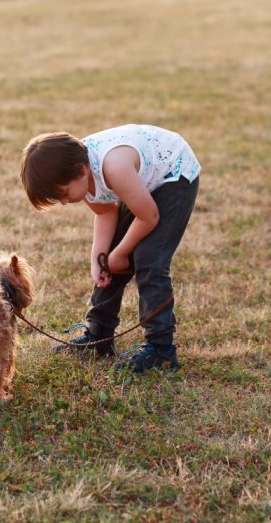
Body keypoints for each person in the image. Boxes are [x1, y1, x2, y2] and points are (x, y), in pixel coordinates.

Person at [19, 123, 200, 373]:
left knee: (149, 258)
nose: (63, 201)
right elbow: (105, 212)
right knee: (110, 257)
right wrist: (100, 259)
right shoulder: (81, 175)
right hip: (141, 184)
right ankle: (99, 336)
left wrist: (120, 253)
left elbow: (149, 217)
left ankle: (161, 349)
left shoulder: (113, 167)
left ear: (82, 170)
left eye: (62, 193)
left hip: (173, 173)